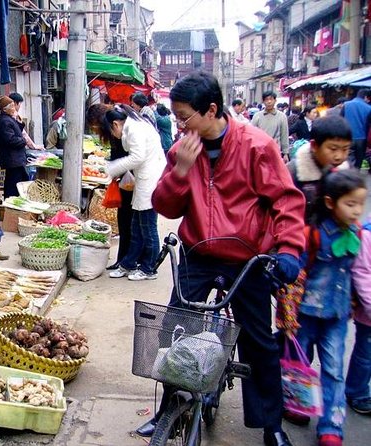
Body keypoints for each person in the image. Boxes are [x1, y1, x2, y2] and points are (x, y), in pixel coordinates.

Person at [145, 72, 306, 446]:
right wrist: (180, 172)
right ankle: (168, 407)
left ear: (212, 110)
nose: (180, 125)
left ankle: (272, 425)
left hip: (247, 258)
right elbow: (164, 204)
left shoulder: (256, 146)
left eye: (184, 117)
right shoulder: (182, 150)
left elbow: (286, 200)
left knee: (258, 341)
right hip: (199, 254)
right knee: (174, 329)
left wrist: (288, 249)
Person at [294, 170, 367, 446]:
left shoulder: (358, 233)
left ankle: (331, 427)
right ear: (329, 202)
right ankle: (298, 405)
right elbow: (297, 273)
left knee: (334, 369)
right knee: (299, 363)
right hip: (305, 314)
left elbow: (359, 273)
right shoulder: (311, 235)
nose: (357, 210)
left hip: (337, 315)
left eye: (360, 203)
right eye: (350, 204)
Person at [105, 104, 166, 281]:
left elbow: (137, 157)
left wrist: (113, 168)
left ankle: (149, 269)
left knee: (147, 228)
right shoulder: (134, 126)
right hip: (144, 179)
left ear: (115, 124)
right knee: (136, 227)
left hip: (150, 180)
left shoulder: (134, 130)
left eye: (111, 130)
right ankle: (128, 264)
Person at [86, 103, 132, 268]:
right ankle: (124, 259)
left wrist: (114, 169)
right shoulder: (115, 130)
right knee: (124, 220)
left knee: (128, 221)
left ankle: (128, 261)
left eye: (95, 127)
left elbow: (125, 156)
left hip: (130, 181)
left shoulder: (120, 130)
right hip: (125, 179)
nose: (95, 131)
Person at [287, 116, 351, 225]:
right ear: (314, 145)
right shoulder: (293, 171)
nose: (339, 156)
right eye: (333, 149)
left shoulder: (345, 173)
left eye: (345, 149)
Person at [346, 212, 371, 416]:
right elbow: (362, 273)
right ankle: (358, 392)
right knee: (365, 355)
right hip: (368, 312)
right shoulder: (366, 236)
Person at [0, 95, 28, 198]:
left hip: (16, 161)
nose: (15, 108)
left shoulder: (9, 119)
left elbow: (15, 131)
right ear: (6, 109)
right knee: (12, 188)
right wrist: (24, 141)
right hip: (12, 162)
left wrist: (20, 122)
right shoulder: (4, 121)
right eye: (12, 106)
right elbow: (10, 140)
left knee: (20, 186)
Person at [252, 91, 290, 161]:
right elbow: (252, 135)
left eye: (271, 99)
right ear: (263, 101)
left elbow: (284, 135)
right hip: (260, 152)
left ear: (275, 100)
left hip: (275, 152)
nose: (269, 102)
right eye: (266, 99)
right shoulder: (257, 116)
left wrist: (285, 153)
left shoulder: (282, 116)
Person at [341, 88, 371, 168]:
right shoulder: (369, 108)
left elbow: (340, 120)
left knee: (347, 160)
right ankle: (354, 177)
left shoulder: (346, 104)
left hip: (347, 137)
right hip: (362, 139)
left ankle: (347, 175)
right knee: (358, 162)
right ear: (365, 97)